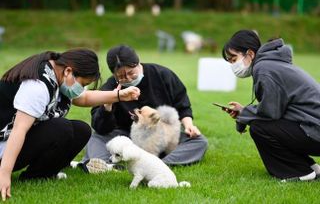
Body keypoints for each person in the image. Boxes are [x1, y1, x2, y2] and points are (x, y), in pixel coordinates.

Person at [0, 48, 140, 201]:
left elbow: (84, 98)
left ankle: (38, 176)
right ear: (68, 71)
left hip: (11, 141)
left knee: (81, 130)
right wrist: (4, 174)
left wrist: (118, 95)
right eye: (83, 84)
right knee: (61, 128)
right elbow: (19, 129)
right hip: (5, 143)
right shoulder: (38, 85)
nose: (81, 89)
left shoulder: (58, 74)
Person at [82, 45, 208, 171]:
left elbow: (182, 105)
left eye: (131, 73)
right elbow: (100, 128)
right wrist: (109, 103)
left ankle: (162, 164)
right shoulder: (110, 87)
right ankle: (108, 166)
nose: (128, 78)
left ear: (138, 63)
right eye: (121, 76)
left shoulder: (162, 74)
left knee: (198, 141)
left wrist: (188, 125)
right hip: (127, 136)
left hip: (162, 135)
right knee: (96, 139)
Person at [221, 29, 320, 182]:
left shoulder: (264, 69)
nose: (233, 65)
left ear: (250, 54)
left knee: (260, 127)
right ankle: (311, 168)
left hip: (315, 130)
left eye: (233, 59)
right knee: (267, 125)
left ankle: (298, 172)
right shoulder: (271, 64)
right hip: (313, 127)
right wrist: (244, 112)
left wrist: (244, 115)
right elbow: (276, 110)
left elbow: (270, 113)